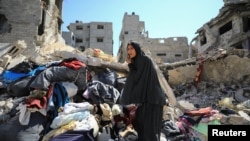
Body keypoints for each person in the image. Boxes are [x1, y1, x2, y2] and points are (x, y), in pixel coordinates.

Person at [120, 41, 167, 141]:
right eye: (128, 49)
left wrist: (130, 66)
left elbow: (138, 79)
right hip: (146, 99)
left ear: (137, 49)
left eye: (132, 48)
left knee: (149, 129)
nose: (129, 51)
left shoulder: (144, 60)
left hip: (152, 99)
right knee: (142, 126)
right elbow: (135, 79)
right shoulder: (137, 62)